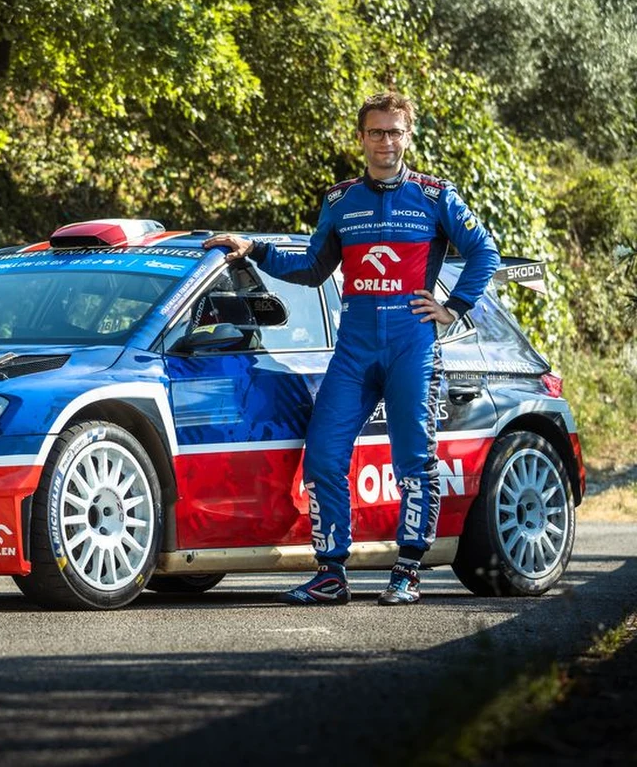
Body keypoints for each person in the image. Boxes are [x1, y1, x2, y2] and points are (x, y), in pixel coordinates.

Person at [204, 91, 500, 606]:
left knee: (414, 459)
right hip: (354, 347)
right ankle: (331, 573)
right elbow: (314, 266)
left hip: (412, 345)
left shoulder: (435, 196)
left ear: (409, 136)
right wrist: (255, 249)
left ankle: (408, 569)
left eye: (395, 132)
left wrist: (454, 306)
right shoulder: (341, 200)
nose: (386, 141)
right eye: (376, 132)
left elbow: (484, 252)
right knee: (323, 454)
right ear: (361, 138)